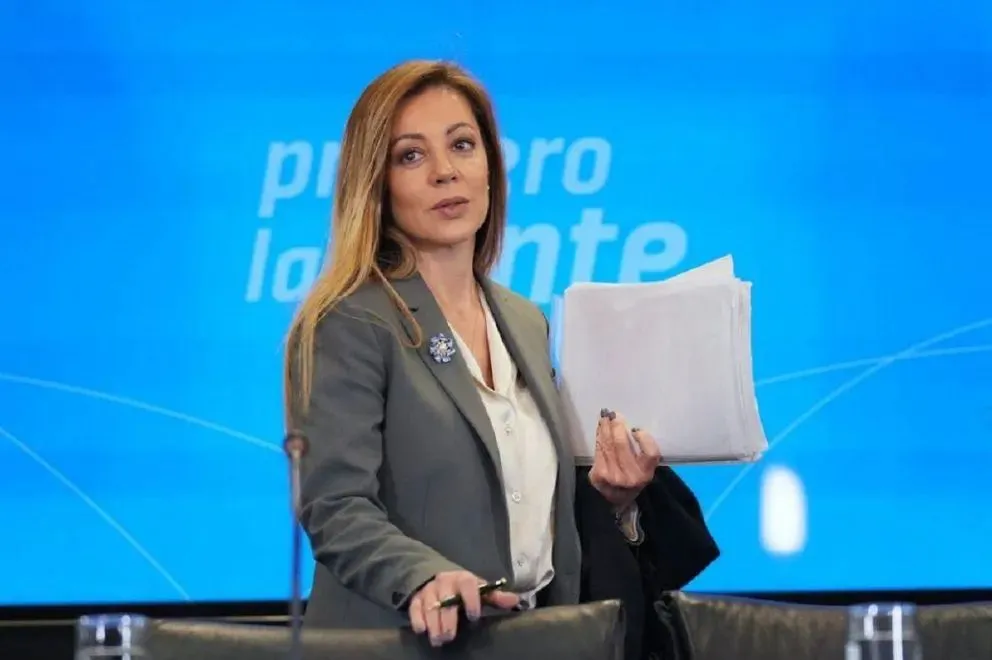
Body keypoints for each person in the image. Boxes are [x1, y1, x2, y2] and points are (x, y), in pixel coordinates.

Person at [284, 59, 718, 659]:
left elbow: (532, 507)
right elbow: (335, 506)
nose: (444, 171)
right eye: (411, 155)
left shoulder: (524, 321)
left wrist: (613, 498)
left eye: (462, 145)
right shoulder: (352, 322)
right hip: (397, 647)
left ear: (490, 165)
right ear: (376, 185)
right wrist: (422, 577)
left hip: (532, 642)